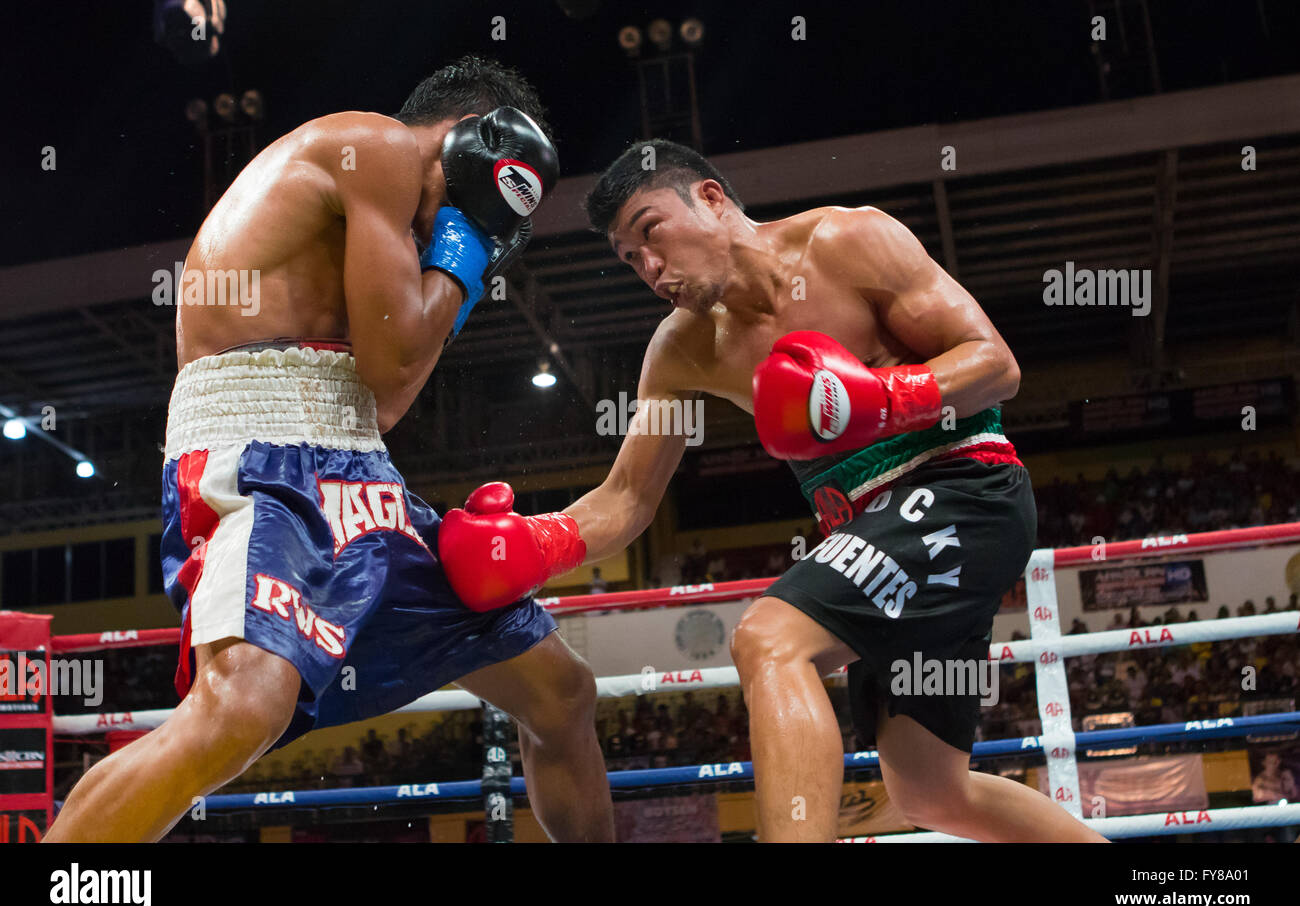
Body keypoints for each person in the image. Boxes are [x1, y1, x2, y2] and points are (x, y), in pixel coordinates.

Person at [438, 139, 1106, 842]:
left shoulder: (849, 241)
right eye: (631, 260)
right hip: (873, 537)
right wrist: (538, 542)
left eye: (650, 232)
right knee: (931, 791)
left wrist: (884, 395)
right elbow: (628, 498)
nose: (651, 268)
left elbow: (997, 365)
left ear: (712, 198)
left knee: (771, 639)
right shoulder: (680, 349)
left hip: (965, 487)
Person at [46, 57, 612, 843]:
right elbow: (390, 364)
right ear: (469, 142)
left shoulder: (400, 237)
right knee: (240, 708)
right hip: (261, 455)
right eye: (485, 190)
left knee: (561, 692)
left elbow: (384, 398)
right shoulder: (374, 147)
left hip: (354, 464)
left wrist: (460, 253)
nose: (465, 223)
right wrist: (470, 246)